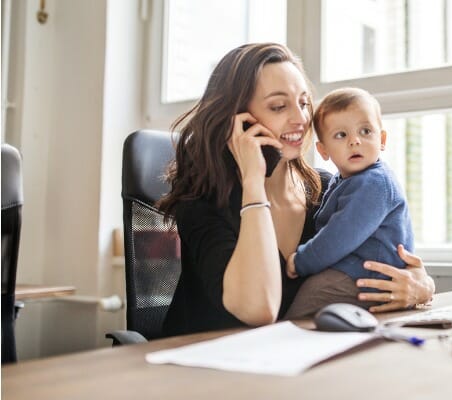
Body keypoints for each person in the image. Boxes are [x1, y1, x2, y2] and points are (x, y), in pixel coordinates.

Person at [157, 43, 435, 336]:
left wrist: (421, 286)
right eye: (278, 106)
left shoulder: (325, 189)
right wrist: (253, 182)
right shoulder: (201, 200)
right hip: (201, 366)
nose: (301, 119)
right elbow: (259, 309)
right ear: (237, 121)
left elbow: (392, 256)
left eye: (303, 103)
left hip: (294, 363)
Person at [283, 87, 413, 319]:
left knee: (297, 318)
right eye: (341, 135)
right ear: (323, 150)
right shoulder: (342, 180)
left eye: (365, 131)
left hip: (365, 278)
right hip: (356, 274)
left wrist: (301, 261)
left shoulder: (374, 183)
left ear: (381, 139)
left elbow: (338, 236)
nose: (355, 141)